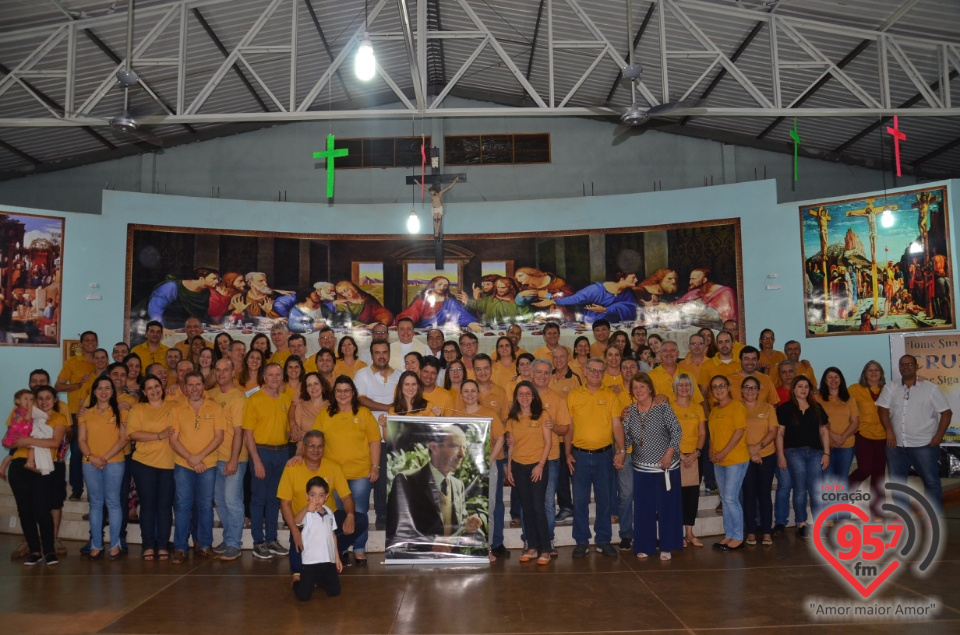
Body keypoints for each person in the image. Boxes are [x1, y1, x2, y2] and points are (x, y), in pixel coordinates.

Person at [310, 376, 380, 565]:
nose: (343, 394)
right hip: (333, 475)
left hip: (360, 474)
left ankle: (359, 548)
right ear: (334, 394)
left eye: (346, 390)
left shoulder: (364, 413)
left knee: (359, 512)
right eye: (339, 391)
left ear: (353, 393)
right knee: (337, 514)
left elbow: (374, 440)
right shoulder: (325, 414)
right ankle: (339, 548)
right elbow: (314, 439)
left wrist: (375, 466)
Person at [278, 430, 365, 581]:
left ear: (324, 448)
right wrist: (295, 531)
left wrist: (350, 515)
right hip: (302, 525)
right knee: (298, 567)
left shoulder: (332, 466)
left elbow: (346, 497)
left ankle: (330, 551)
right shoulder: (292, 468)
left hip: (327, 522)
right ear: (303, 447)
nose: (316, 450)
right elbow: (284, 503)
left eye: (320, 446)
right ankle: (321, 555)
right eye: (311, 446)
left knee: (360, 520)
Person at [386, 424, 483, 550]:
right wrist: (430, 544)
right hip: (420, 563)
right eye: (455, 446)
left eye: (464, 448)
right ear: (434, 447)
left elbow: (457, 525)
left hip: (452, 563)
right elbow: (397, 531)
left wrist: (468, 526)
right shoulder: (406, 481)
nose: (462, 454)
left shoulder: (458, 485)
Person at [877, 355, 952, 516]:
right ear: (899, 368)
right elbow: (882, 409)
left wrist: (939, 436)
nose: (905, 367)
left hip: (924, 445)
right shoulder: (891, 387)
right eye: (902, 365)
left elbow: (946, 413)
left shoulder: (930, 388)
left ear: (916, 366)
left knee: (931, 482)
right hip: (895, 445)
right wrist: (889, 430)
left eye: (909, 364)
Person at [567, 357, 626, 558]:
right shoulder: (574, 396)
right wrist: (567, 453)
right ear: (585, 371)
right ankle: (581, 541)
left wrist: (622, 449)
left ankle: (603, 540)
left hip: (604, 456)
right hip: (579, 456)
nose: (596, 374)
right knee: (580, 500)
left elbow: (617, 424)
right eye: (592, 370)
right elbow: (570, 427)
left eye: (600, 371)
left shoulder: (610, 396)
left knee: (605, 500)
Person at [3, 385, 67, 565]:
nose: (44, 401)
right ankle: (34, 551)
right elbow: (11, 440)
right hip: (19, 465)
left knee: (42, 511)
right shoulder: (23, 414)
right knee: (25, 511)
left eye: (48, 398)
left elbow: (54, 442)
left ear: (55, 400)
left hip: (42, 468)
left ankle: (49, 551)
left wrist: (28, 440)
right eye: (40, 398)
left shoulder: (58, 417)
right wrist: (18, 440)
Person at [623, 373, 682, 560]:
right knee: (643, 508)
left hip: (666, 467)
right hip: (642, 469)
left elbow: (677, 431)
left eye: (642, 386)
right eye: (635, 387)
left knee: (667, 507)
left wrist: (668, 454)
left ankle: (667, 546)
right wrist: (620, 452)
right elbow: (625, 439)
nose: (639, 390)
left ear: (650, 388)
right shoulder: (629, 411)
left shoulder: (662, 407)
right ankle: (645, 545)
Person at [167, 372, 224, 563]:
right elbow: (173, 440)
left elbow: (219, 437)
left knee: (206, 506)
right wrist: (191, 458)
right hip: (184, 464)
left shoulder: (215, 407)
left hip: (207, 464)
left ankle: (205, 545)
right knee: (183, 505)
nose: (194, 388)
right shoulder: (177, 408)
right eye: (190, 385)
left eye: (198, 384)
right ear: (184, 387)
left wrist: (199, 457)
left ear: (203, 386)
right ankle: (180, 548)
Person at [452, 379, 507, 558]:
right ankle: (467, 548)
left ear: (478, 394)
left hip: (486, 469)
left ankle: (487, 548)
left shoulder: (489, 413)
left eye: (473, 391)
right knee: (465, 509)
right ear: (461, 395)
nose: (469, 394)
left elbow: (500, 438)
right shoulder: (456, 415)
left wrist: (489, 461)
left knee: (487, 508)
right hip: (464, 471)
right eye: (466, 391)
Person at [243, 363, 293, 560]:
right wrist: (256, 460)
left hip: (282, 453)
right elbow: (248, 433)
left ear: (282, 377)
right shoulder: (254, 399)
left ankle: (272, 539)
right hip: (262, 452)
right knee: (258, 499)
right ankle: (258, 541)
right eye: (271, 375)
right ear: (264, 377)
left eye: (278, 375)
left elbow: (288, 427)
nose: (275, 378)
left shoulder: (285, 399)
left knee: (275, 498)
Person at [78, 377, 128, 559]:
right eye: (100, 388)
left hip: (113, 462)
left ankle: (115, 544)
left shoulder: (121, 412)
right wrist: (91, 457)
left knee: (113, 503)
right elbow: (81, 440)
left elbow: (123, 439)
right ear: (94, 391)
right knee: (96, 504)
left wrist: (104, 458)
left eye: (108, 388)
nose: (104, 391)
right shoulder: (85, 413)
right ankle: (96, 544)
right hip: (90, 463)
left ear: (113, 392)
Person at [125, 375, 175, 561]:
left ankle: (162, 545)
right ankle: (147, 545)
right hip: (143, 464)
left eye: (157, 386)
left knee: (164, 507)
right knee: (147, 506)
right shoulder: (138, 409)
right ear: (144, 392)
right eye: (149, 388)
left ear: (162, 387)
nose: (154, 390)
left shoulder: (174, 407)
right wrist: (159, 435)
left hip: (168, 465)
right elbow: (133, 434)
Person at [353, 340, 400, 530]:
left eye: (384, 352)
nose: (381, 356)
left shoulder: (399, 375)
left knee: (396, 477)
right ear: (371, 355)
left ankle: (396, 513)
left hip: (397, 434)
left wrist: (394, 410)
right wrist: (389, 407)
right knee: (380, 479)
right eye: (377, 352)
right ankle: (381, 514)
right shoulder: (362, 374)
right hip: (372, 436)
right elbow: (361, 399)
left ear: (389, 354)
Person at [505, 381, 553, 565]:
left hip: (537, 467)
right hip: (518, 467)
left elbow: (548, 443)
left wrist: (540, 465)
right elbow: (512, 446)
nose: (524, 397)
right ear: (516, 397)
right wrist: (509, 468)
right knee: (526, 509)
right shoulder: (512, 419)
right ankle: (532, 547)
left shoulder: (543, 415)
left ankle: (546, 549)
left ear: (533, 396)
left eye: (528, 394)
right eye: (520, 394)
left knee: (538, 508)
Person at [775, 376, 831, 538]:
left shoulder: (817, 407)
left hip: (815, 452)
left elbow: (824, 431)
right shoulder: (785, 408)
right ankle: (801, 522)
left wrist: (826, 453)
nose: (803, 389)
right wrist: (781, 456)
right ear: (793, 389)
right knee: (800, 488)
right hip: (793, 453)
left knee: (815, 489)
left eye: (806, 386)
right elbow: (780, 434)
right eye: (800, 386)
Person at [530, 359, 571, 555]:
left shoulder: (557, 399)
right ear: (531, 373)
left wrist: (553, 426)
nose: (542, 376)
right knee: (528, 501)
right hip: (526, 457)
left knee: (547, 501)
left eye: (546, 372)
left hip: (551, 458)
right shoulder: (523, 396)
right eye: (539, 372)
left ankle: (549, 540)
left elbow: (565, 428)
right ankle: (530, 541)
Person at [209, 359, 248, 562]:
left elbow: (239, 432)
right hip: (213, 459)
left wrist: (233, 460)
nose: (221, 373)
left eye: (226, 370)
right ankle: (228, 538)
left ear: (233, 372)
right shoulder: (212, 395)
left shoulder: (238, 398)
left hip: (234, 459)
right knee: (221, 503)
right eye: (218, 370)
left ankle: (235, 543)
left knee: (233, 502)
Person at [706, 375, 749, 551]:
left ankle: (738, 536)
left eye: (721, 386)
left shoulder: (737, 406)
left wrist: (723, 452)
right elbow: (713, 435)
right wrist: (711, 450)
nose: (718, 390)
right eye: (715, 387)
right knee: (724, 498)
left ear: (729, 387)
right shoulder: (715, 410)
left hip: (735, 460)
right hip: (719, 461)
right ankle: (729, 534)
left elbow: (739, 432)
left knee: (731, 497)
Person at [55, 329, 97, 500]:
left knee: (96, 449)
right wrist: (78, 385)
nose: (90, 342)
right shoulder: (72, 362)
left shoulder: (100, 363)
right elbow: (58, 386)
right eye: (86, 340)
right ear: (81, 344)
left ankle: (93, 490)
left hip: (97, 414)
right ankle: (77, 489)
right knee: (78, 452)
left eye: (93, 340)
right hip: (76, 413)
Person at [740, 375, 779, 547]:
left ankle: (766, 532)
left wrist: (758, 447)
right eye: (747, 387)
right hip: (744, 457)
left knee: (764, 494)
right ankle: (750, 532)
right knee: (748, 494)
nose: (750, 391)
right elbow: (735, 433)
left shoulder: (768, 407)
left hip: (767, 456)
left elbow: (773, 430)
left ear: (758, 390)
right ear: (741, 390)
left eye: (753, 387)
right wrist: (751, 450)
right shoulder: (736, 408)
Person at [290, 476, 343, 602]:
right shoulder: (307, 513)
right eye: (313, 495)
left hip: (327, 560)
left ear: (327, 497)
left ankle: (319, 580)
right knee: (303, 596)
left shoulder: (329, 512)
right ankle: (297, 582)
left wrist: (336, 558)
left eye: (321, 495)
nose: (316, 499)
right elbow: (296, 521)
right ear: (307, 496)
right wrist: (305, 509)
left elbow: (333, 535)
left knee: (334, 591)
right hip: (310, 562)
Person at [819, 367, 860, 524]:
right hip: (825, 446)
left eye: (836, 377)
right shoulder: (819, 399)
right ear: (825, 380)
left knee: (841, 480)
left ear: (841, 379)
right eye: (829, 377)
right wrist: (832, 436)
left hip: (846, 445)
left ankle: (843, 517)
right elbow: (818, 421)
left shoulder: (849, 399)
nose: (833, 380)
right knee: (828, 480)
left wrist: (842, 437)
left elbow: (855, 422)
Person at [847, 361, 888, 520]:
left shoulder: (888, 389)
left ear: (881, 373)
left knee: (879, 475)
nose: (873, 372)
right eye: (870, 370)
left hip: (883, 436)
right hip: (862, 434)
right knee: (865, 469)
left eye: (876, 370)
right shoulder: (855, 389)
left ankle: (877, 511)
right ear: (864, 374)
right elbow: (840, 400)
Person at [669, 373, 706, 547]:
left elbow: (702, 433)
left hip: (694, 458)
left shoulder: (698, 408)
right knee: (675, 497)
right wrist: (680, 454)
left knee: (692, 497)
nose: (684, 388)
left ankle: (690, 533)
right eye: (680, 385)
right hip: (675, 457)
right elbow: (665, 434)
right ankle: (677, 534)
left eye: (687, 385)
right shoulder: (668, 408)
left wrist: (696, 453)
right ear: (675, 388)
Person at [538, 273, 639, 324]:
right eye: (633, 277)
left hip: (614, 326)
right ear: (622, 279)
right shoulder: (595, 290)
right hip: (593, 324)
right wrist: (553, 300)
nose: (636, 280)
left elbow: (631, 308)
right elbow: (575, 298)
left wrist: (605, 309)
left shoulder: (628, 293)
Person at [143, 267, 218, 327]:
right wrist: (160, 327)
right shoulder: (172, 287)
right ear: (201, 278)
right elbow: (155, 308)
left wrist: (209, 325)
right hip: (167, 327)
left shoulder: (205, 292)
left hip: (187, 328)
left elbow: (200, 315)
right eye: (214, 278)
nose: (217, 281)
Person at [395, 276, 476, 328]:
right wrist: (403, 324)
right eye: (440, 284)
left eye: (445, 285)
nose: (442, 287)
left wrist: (470, 323)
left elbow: (461, 315)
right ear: (433, 284)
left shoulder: (450, 302)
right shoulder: (421, 301)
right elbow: (410, 315)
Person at [459, 276, 530, 325]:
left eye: (503, 288)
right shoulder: (490, 299)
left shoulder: (517, 302)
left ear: (511, 288)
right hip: (490, 330)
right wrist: (467, 300)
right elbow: (478, 304)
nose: (499, 290)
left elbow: (527, 315)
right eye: (498, 287)